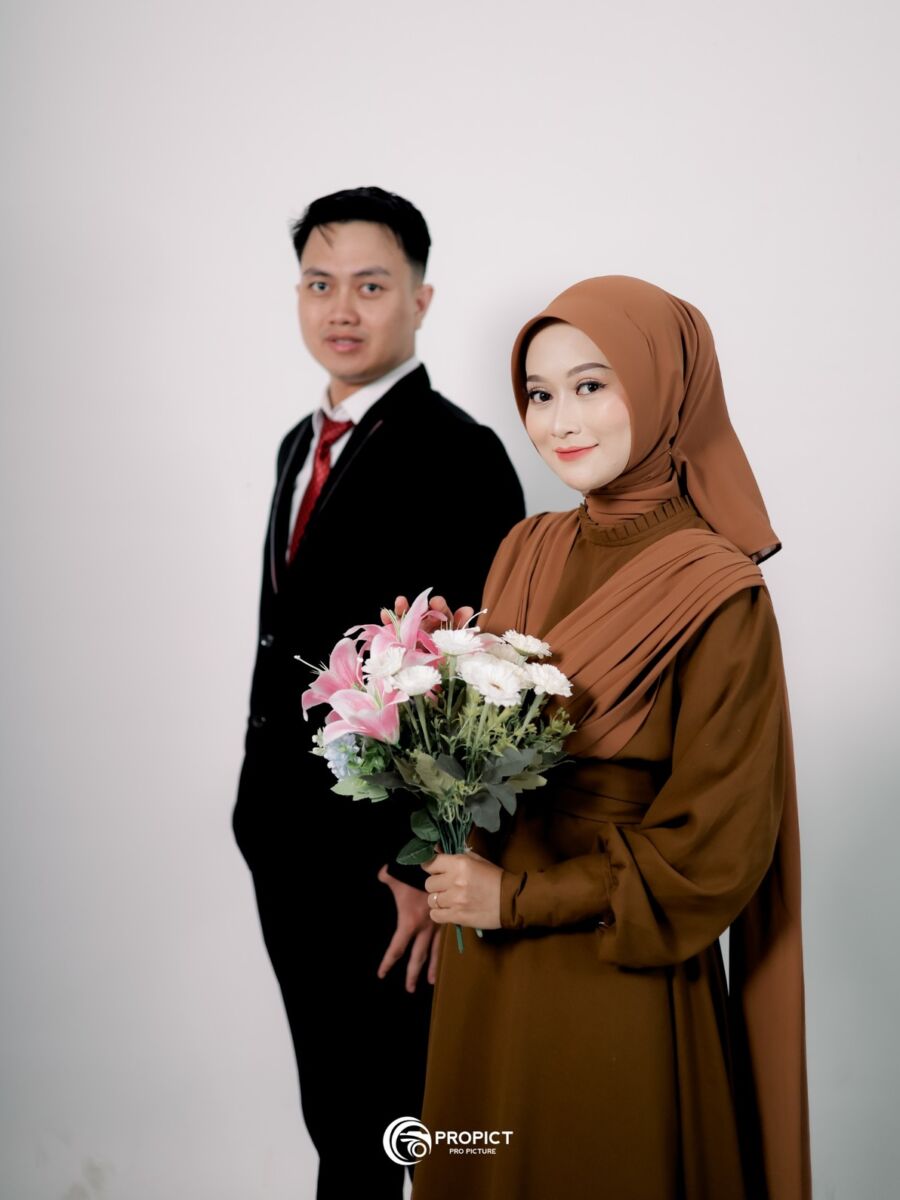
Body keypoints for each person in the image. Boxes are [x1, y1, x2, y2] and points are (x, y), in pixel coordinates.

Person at [410, 275, 810, 1199]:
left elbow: (715, 847)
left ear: (665, 385)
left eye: (592, 386)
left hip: (614, 969)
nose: (560, 421)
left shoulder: (720, 592)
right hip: (485, 962)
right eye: (540, 394)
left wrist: (519, 900)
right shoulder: (525, 547)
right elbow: (478, 752)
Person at [231, 186, 525, 1200]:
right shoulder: (299, 444)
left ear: (421, 299)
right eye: (319, 284)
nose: (341, 309)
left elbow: (481, 673)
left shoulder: (460, 452)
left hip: (382, 870)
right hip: (282, 837)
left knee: (388, 1125)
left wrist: (423, 861)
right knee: (336, 1116)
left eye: (370, 285)